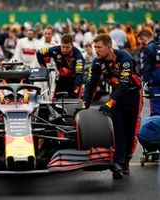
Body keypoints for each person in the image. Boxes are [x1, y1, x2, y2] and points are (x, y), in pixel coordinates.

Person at [82, 34, 142, 179]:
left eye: (99, 47)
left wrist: (109, 103)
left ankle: (126, 160)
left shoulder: (125, 59)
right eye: (94, 47)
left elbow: (124, 84)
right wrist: (84, 106)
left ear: (109, 47)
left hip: (132, 94)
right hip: (117, 95)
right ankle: (118, 164)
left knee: (130, 131)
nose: (96, 50)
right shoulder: (97, 63)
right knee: (117, 130)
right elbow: (90, 86)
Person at [36, 34, 85, 99]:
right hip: (62, 79)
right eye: (63, 47)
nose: (64, 49)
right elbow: (39, 53)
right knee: (55, 101)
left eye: (67, 47)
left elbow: (79, 75)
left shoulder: (78, 57)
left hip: (74, 80)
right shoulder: (56, 50)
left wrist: (75, 91)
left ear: (72, 46)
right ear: (60, 44)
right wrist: (44, 69)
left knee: (74, 101)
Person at [137, 30, 160, 116]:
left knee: (156, 114)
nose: (139, 44)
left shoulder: (146, 49)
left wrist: (146, 84)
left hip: (155, 85)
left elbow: (144, 69)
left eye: (139, 42)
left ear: (143, 39)